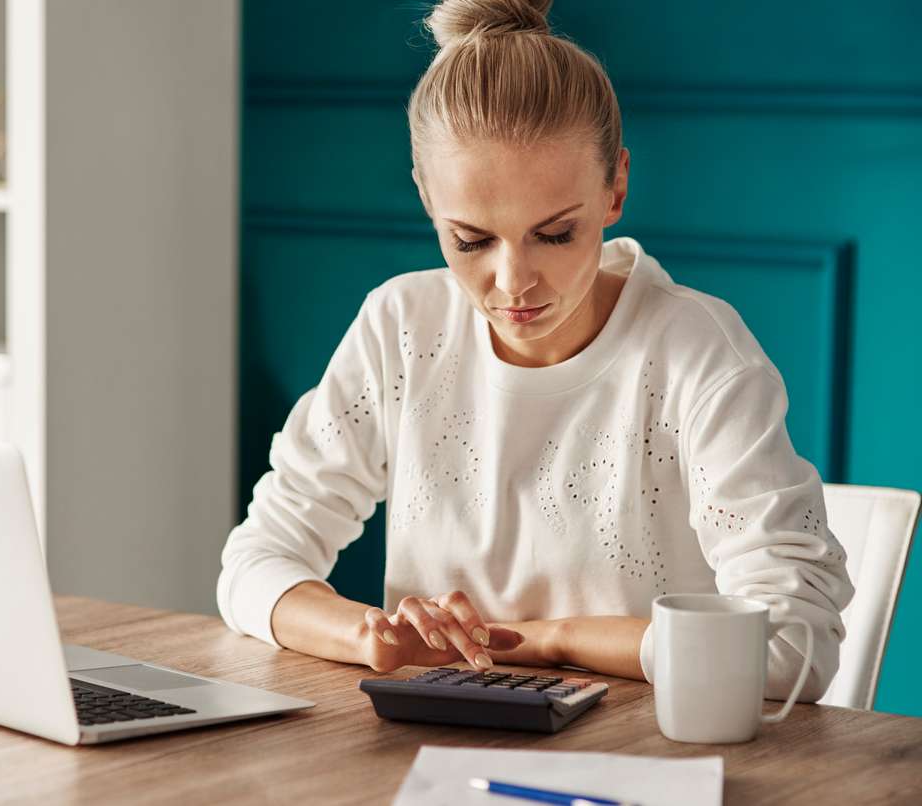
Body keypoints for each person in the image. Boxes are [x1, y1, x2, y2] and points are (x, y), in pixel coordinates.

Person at [217, 0, 854, 700]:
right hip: (433, 756)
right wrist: (371, 635)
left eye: (555, 234)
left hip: (646, 764)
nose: (514, 282)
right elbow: (256, 561)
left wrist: (544, 639)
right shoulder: (401, 326)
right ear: (426, 196)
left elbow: (793, 649)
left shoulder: (695, 354)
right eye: (471, 240)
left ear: (616, 185)